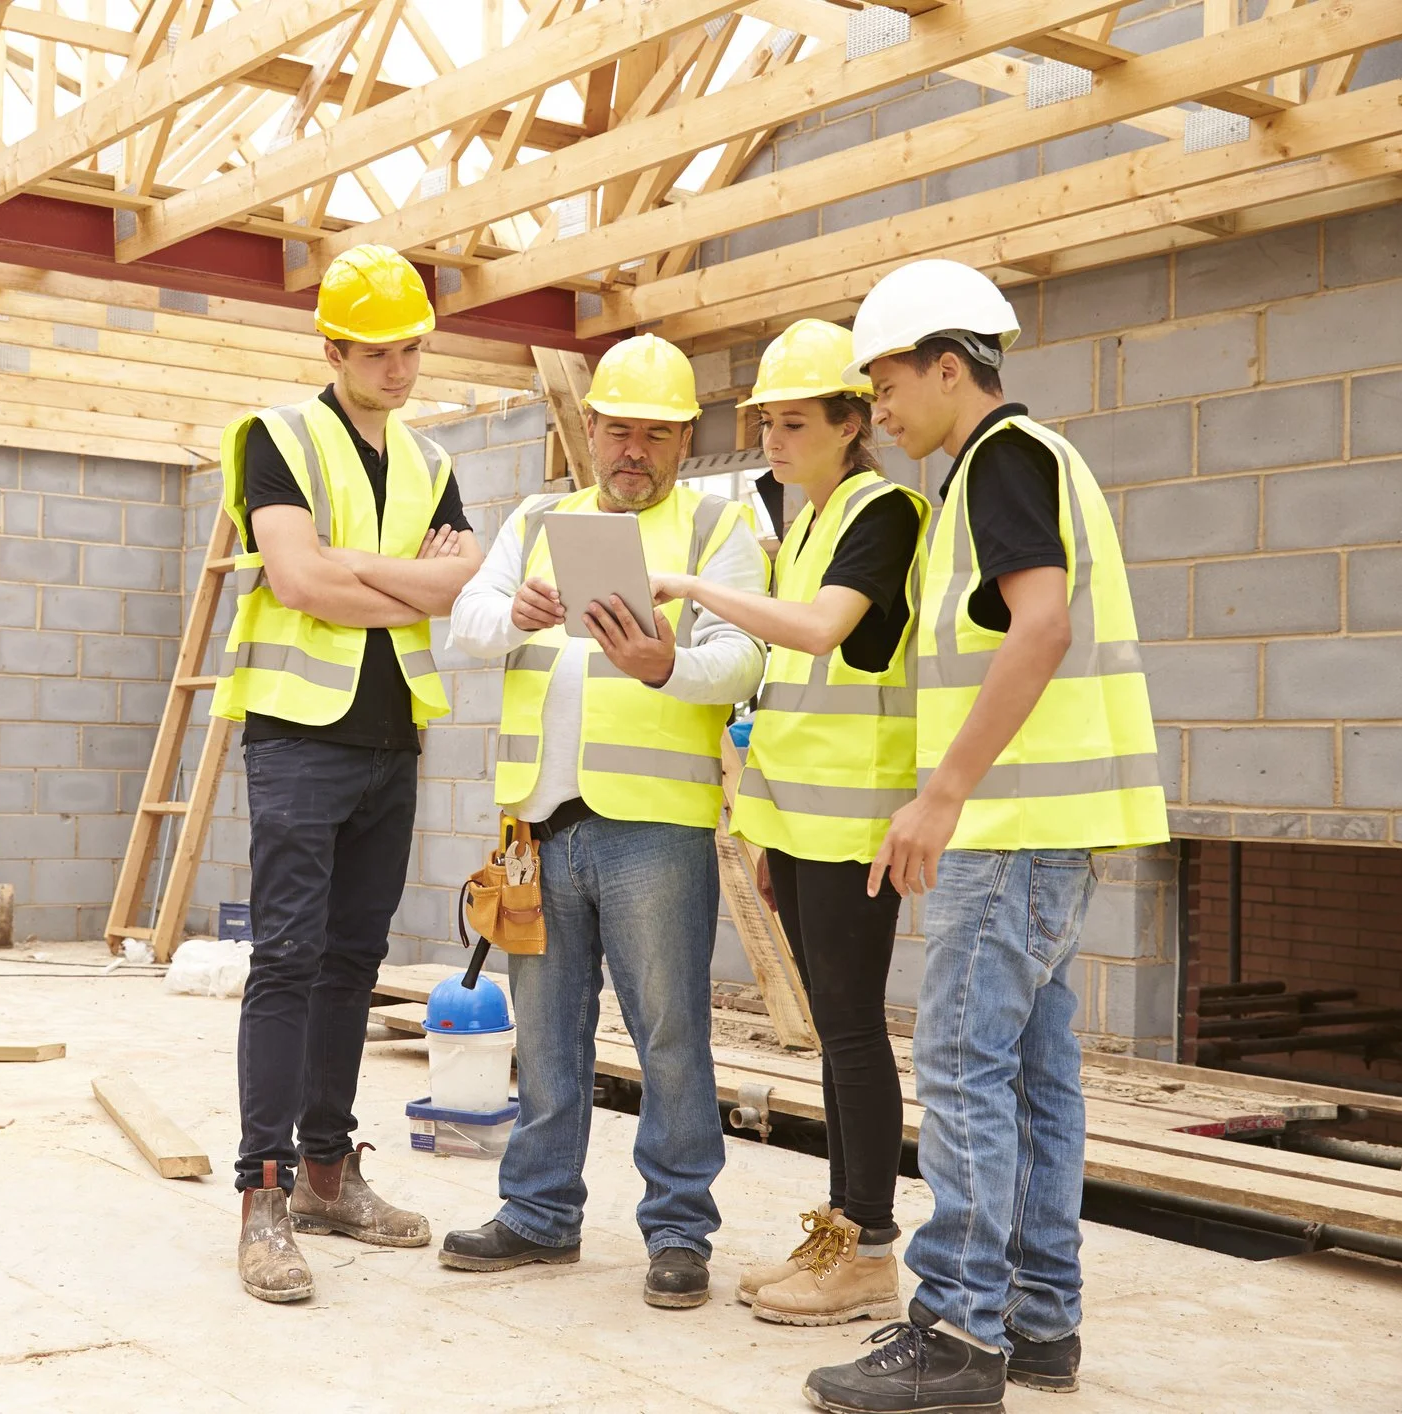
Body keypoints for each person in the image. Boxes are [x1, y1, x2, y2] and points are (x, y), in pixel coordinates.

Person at [801, 260, 1168, 1413]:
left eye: (890, 383)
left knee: (963, 1066)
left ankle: (959, 1329)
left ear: (949, 368)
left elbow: (1042, 624)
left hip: (1008, 827)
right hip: (1048, 827)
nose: (882, 409)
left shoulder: (1003, 462)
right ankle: (1039, 1319)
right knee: (1034, 1076)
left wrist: (946, 792)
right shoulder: (1023, 466)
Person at [439, 334, 768, 1310]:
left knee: (671, 1036)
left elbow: (746, 659)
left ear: (685, 439)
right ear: (592, 430)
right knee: (545, 1037)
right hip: (541, 824)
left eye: (655, 435)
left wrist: (670, 665)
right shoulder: (541, 518)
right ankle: (539, 1215)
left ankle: (678, 1230)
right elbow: (466, 625)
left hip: (653, 830)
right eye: (618, 429)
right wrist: (520, 613)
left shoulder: (718, 530)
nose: (634, 450)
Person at [212, 244, 484, 1304]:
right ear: (331, 345)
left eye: (415, 348)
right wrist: (406, 579)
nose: (402, 369)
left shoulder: (430, 459)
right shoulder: (276, 439)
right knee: (285, 958)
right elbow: (295, 576)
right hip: (297, 734)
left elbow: (456, 589)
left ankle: (328, 1169)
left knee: (351, 962)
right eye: (380, 351)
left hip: (390, 739)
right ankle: (262, 1192)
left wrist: (358, 571)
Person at [649, 319, 926, 1328]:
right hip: (801, 820)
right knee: (830, 1032)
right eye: (766, 422)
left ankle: (868, 1247)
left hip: (857, 820)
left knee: (853, 1033)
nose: (773, 440)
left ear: (853, 423)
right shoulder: (803, 520)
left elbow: (817, 631)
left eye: (795, 421)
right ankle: (837, 1231)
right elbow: (787, 684)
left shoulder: (883, 513)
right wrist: (761, 828)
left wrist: (686, 584)